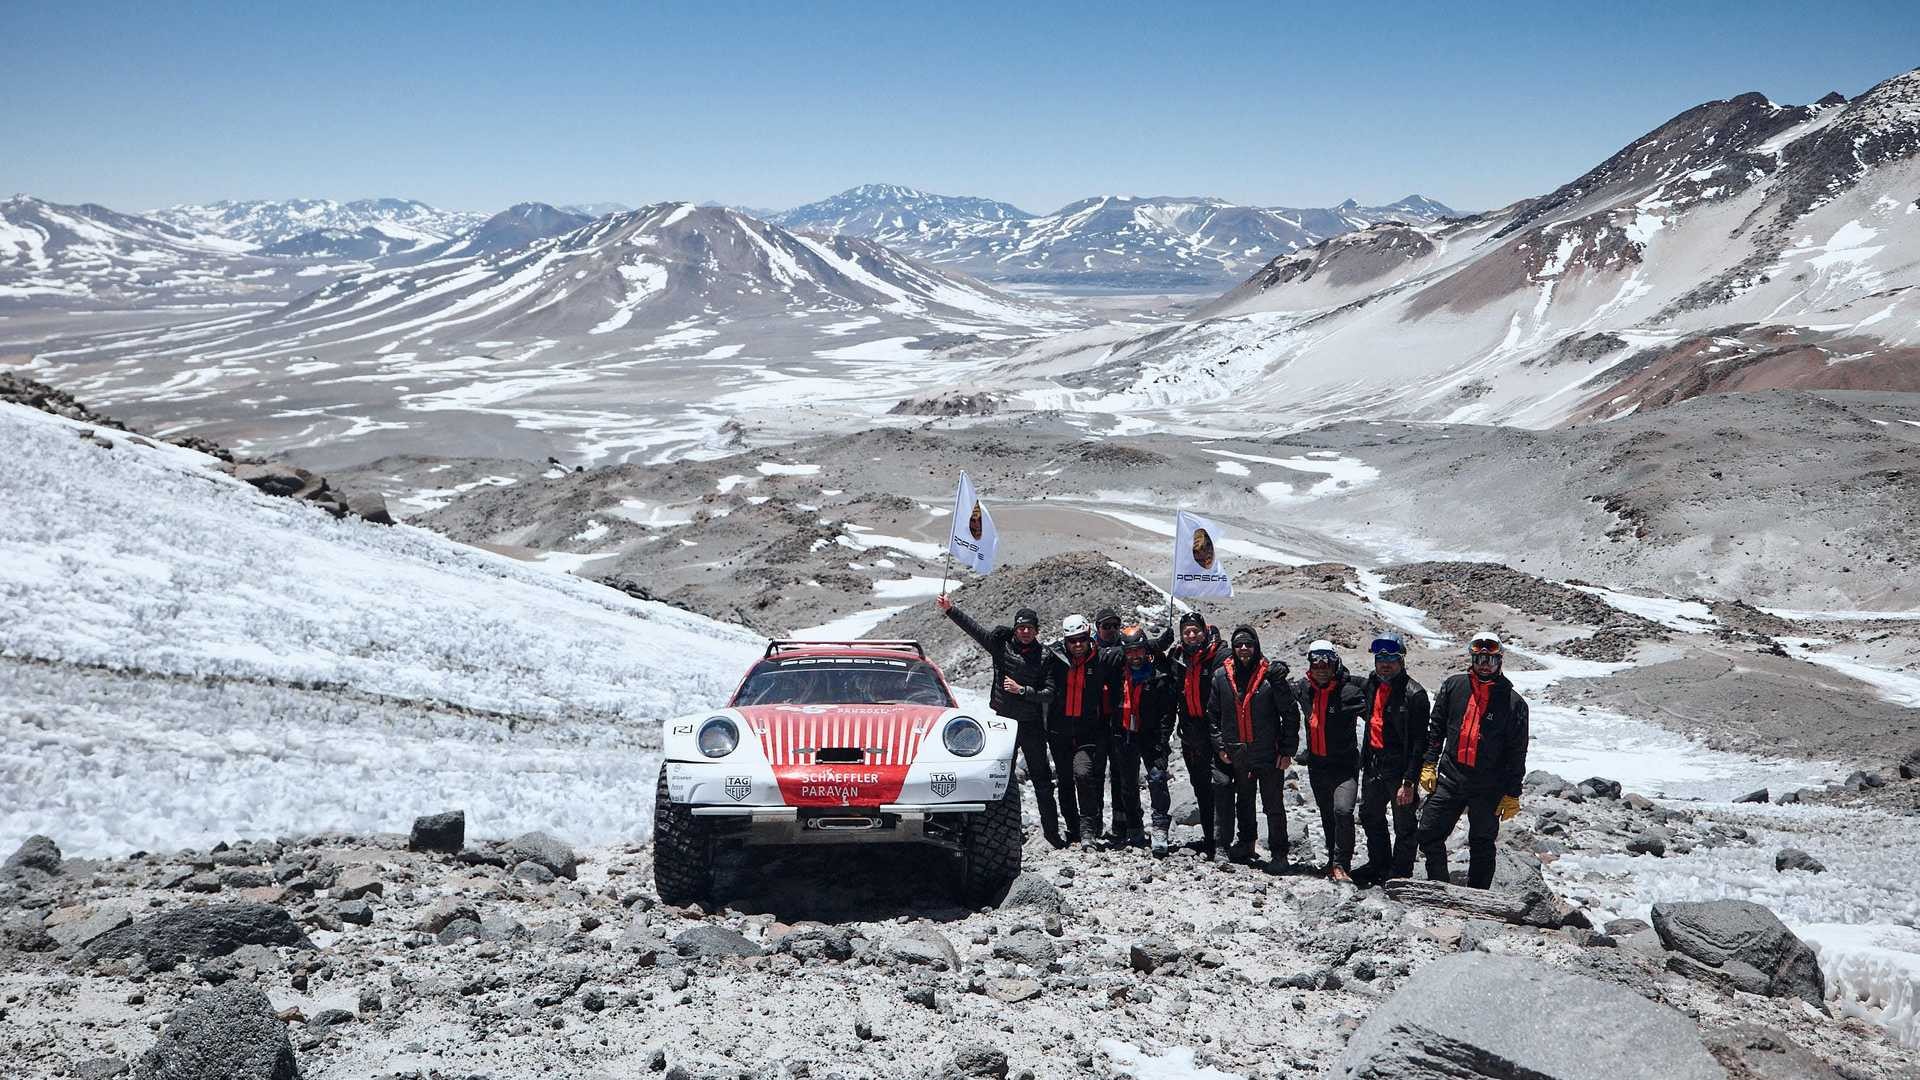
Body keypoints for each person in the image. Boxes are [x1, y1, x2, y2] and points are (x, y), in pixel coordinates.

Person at [937, 595, 1068, 848]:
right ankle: (997, 836)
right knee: (998, 779)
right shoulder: (1001, 647)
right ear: (1016, 629)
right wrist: (950, 609)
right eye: (1021, 628)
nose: (1026, 632)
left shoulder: (1045, 656)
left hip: (1031, 726)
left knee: (1042, 780)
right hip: (1004, 725)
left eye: (1030, 627)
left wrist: (1022, 691)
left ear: (1037, 630)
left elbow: (1050, 693)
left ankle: (1052, 834)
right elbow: (974, 630)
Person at [1415, 631, 1530, 889]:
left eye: (1490, 659)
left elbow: (1517, 751)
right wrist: (1429, 764)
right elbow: (1437, 728)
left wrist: (1513, 793)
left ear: (1500, 661)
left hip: (1489, 786)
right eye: (1479, 659)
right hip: (1450, 777)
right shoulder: (1454, 686)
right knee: (1428, 832)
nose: (1485, 664)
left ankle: (1477, 897)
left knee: (1482, 842)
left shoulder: (1514, 703)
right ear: (1472, 659)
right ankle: (1438, 887)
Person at [1206, 626, 1299, 866]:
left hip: (1268, 751)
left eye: (1249, 644)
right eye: (1239, 645)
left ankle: (1280, 853)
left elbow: (1290, 713)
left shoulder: (1271, 676)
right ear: (1233, 648)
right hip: (1238, 752)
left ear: (1256, 646)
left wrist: (1288, 750)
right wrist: (1220, 746)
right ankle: (1247, 843)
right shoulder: (1220, 677)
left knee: (1274, 804)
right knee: (1244, 801)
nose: (1244, 649)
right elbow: (1213, 716)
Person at [1353, 633, 1430, 884]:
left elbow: (1420, 742)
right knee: (1370, 815)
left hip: (1400, 770)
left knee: (1404, 824)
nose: (1385, 663)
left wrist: (1409, 781)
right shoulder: (1371, 685)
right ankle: (1379, 864)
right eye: (1381, 658)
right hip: (1374, 764)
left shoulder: (1415, 694)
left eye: (1392, 658)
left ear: (1402, 660)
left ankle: (1401, 873)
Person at [1293, 640, 1368, 882]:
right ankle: (1332, 863)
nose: (1321, 668)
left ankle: (1341, 864)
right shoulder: (1304, 689)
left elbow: (1378, 717)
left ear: (1335, 663)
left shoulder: (1352, 690)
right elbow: (1280, 692)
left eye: (1326, 664)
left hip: (1345, 766)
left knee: (1343, 811)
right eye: (1316, 664)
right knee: (1327, 814)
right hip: (1317, 765)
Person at [1037, 614, 1114, 846]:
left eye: (1081, 639)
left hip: (1087, 732)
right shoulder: (1054, 657)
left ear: (1089, 635)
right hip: (1059, 732)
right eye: (1072, 640)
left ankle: (1088, 829)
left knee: (1082, 774)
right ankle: (1072, 829)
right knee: (1065, 781)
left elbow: (1132, 651)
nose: (1077, 644)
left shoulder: (1101, 658)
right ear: (1065, 640)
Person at [1157, 610, 1226, 857]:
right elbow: (1170, 695)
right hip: (1191, 733)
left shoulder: (1220, 656)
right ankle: (1211, 839)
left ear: (1204, 630)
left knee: (1221, 785)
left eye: (1195, 630)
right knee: (1201, 786)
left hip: (1217, 732)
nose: (1191, 635)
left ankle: (1222, 843)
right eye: (1186, 632)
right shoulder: (1177, 659)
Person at [1106, 626, 1177, 854]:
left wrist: (1164, 738)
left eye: (1139, 651)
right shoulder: (1116, 670)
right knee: (1127, 783)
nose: (1134, 656)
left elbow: (1168, 711)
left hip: (1152, 735)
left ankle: (1159, 827)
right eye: (1130, 652)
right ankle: (1134, 826)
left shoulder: (1159, 671)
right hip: (1125, 733)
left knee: (1157, 778)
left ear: (1145, 650)